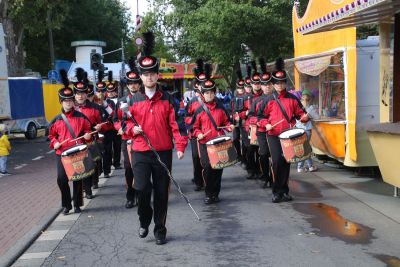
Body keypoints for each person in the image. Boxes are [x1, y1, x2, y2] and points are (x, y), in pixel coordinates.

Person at [125, 31, 188, 245]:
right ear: (140, 77)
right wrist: (131, 129)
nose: (149, 77)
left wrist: (180, 146)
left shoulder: (169, 99)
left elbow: (177, 125)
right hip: (141, 152)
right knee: (141, 189)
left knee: (161, 192)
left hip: (162, 152)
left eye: (153, 74)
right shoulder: (132, 101)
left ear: (157, 75)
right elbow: (123, 123)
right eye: (146, 74)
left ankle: (160, 228)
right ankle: (144, 219)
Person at [259, 58, 309, 203]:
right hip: (273, 135)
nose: (280, 85)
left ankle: (285, 191)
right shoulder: (268, 99)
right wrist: (266, 124)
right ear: (273, 84)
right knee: (276, 161)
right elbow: (259, 117)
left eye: (282, 83)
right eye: (277, 83)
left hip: (288, 135)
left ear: (285, 83)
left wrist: (305, 117)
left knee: (286, 162)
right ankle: (276, 192)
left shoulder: (293, 98)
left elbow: (300, 114)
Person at [48, 69, 93, 214]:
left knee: (77, 178)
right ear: (61, 102)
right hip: (62, 153)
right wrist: (54, 142)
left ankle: (78, 204)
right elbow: (50, 135)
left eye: (70, 100)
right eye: (65, 101)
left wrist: (87, 136)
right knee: (61, 179)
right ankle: (66, 204)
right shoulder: (56, 119)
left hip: (77, 152)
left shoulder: (81, 116)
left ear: (73, 101)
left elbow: (88, 130)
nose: (68, 103)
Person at [193, 63, 234, 204]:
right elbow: (194, 127)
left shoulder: (221, 107)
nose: (209, 95)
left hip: (218, 143)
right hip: (204, 144)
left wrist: (230, 127)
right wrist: (198, 133)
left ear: (214, 92)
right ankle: (208, 193)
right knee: (208, 168)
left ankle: (215, 193)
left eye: (211, 92)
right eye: (206, 93)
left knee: (218, 168)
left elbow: (227, 122)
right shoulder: (199, 110)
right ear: (203, 94)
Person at [113, 57, 141, 209]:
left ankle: (142, 194)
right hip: (127, 138)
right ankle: (130, 196)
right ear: (127, 85)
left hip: (142, 137)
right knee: (129, 169)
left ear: (139, 83)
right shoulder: (121, 100)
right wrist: (119, 127)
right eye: (130, 83)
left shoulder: (144, 98)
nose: (133, 85)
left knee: (141, 168)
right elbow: (115, 119)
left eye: (136, 82)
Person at [184, 58, 206, 191]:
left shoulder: (212, 98)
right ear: (197, 85)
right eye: (201, 83)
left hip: (209, 133)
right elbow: (186, 117)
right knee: (196, 157)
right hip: (195, 133)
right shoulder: (192, 101)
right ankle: (198, 180)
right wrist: (194, 124)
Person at [296, 89, 319, 172]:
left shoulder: (297, 107)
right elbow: (317, 117)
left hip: (298, 131)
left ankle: (307, 166)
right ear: (310, 99)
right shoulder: (311, 108)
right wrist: (310, 117)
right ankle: (303, 167)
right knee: (305, 149)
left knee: (303, 148)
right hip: (306, 131)